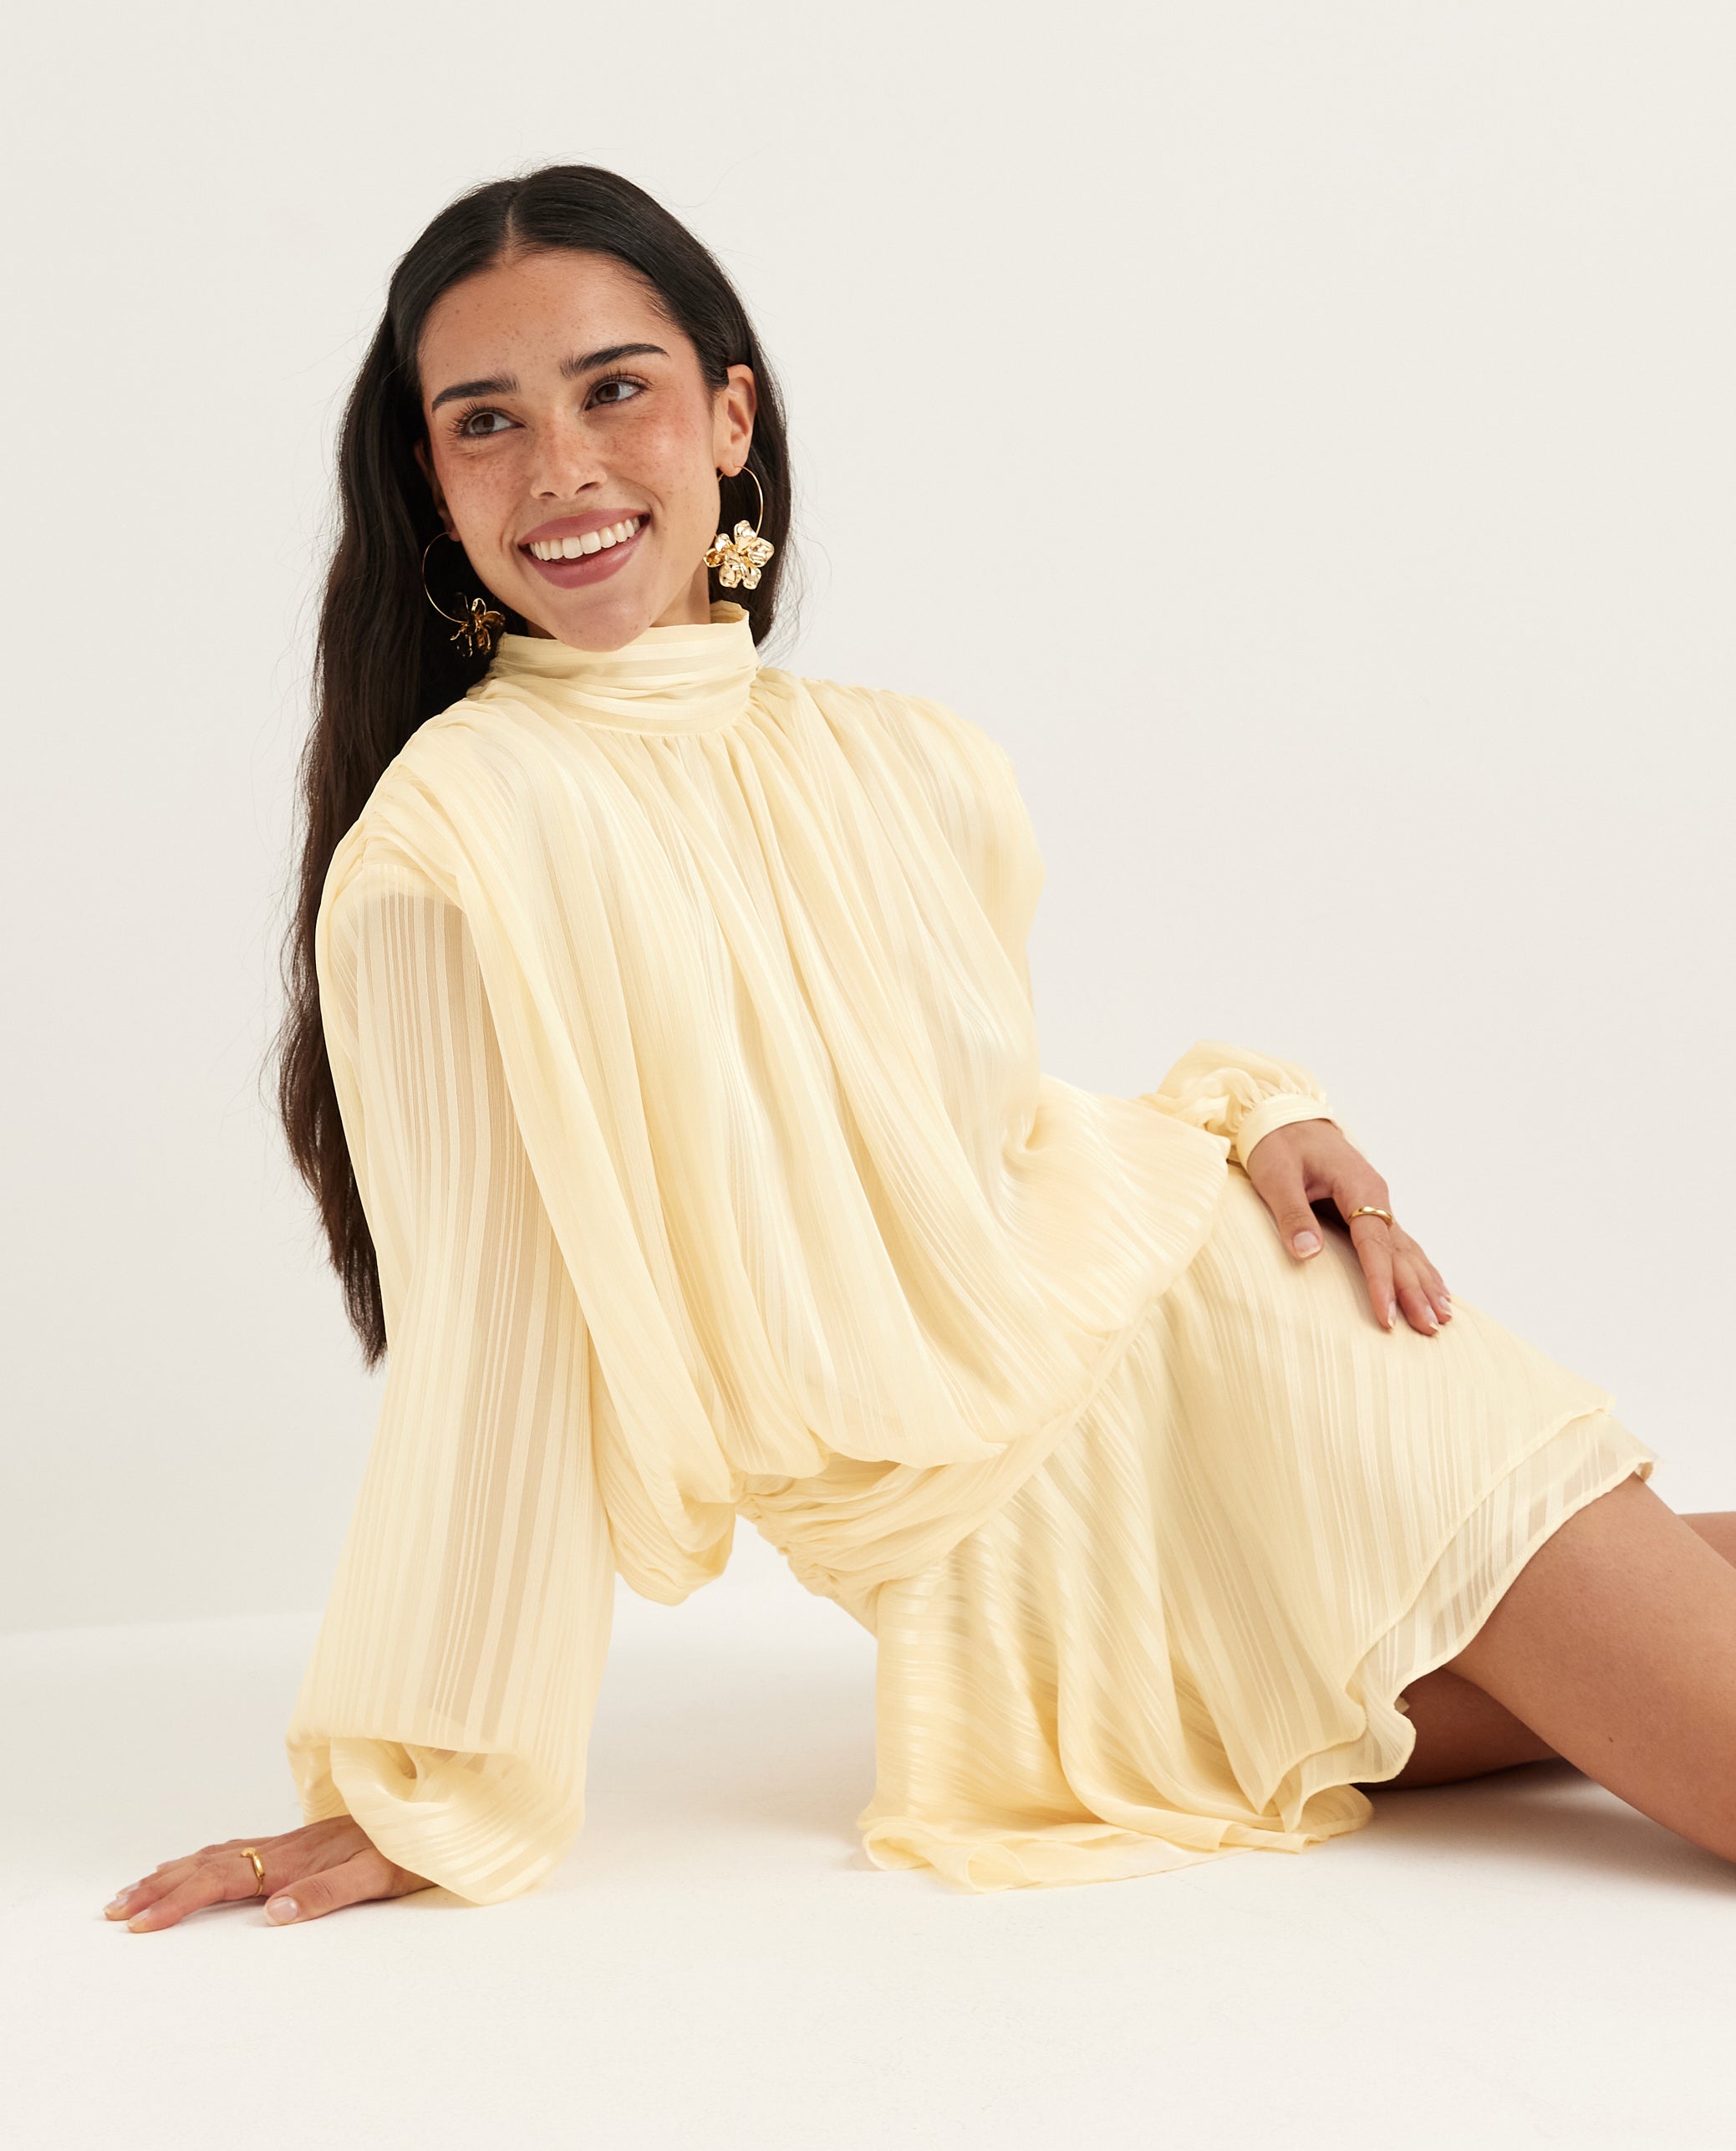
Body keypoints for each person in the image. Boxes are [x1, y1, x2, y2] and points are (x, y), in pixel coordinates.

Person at [106, 166, 1736, 1934]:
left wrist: (1251, 1110)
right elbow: (492, 1360)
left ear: (729, 419)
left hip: (1257, 1354)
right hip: (1016, 1596)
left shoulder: (917, 764)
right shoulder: (451, 849)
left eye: (615, 389)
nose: (560, 465)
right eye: (484, 420)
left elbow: (982, 1160)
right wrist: (424, 1778)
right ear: (429, 479)